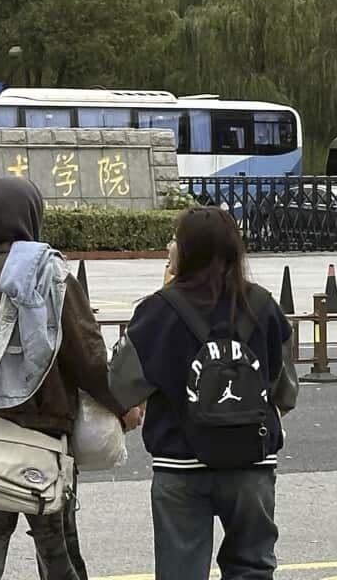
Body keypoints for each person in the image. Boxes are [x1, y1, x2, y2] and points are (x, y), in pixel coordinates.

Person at [0, 177, 139, 580]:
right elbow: (89, 357)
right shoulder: (52, 273)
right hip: (47, 439)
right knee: (59, 555)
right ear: (31, 217)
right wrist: (122, 405)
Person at [109, 206, 298, 580]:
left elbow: (120, 385)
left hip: (180, 464)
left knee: (181, 571)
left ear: (188, 251)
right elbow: (286, 391)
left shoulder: (158, 311)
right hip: (251, 463)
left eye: (175, 240)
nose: (169, 247)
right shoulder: (262, 305)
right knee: (253, 568)